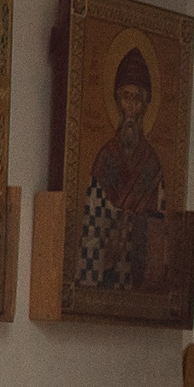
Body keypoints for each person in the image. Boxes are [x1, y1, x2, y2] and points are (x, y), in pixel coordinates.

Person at [78, 48, 166, 291]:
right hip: (106, 267)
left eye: (138, 99)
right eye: (126, 97)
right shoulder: (105, 159)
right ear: (117, 102)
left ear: (146, 105)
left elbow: (160, 226)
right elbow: (90, 223)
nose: (131, 106)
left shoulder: (152, 163)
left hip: (138, 269)